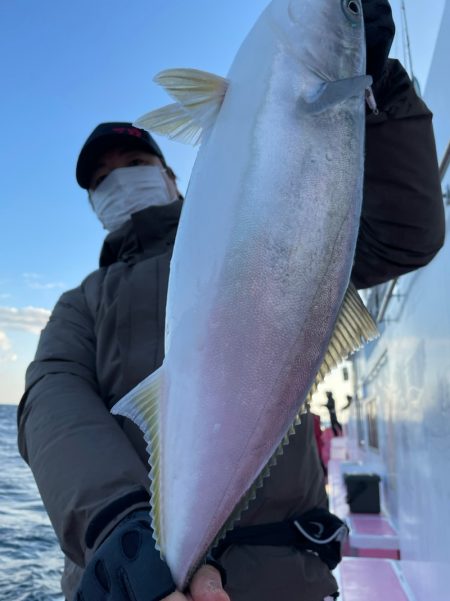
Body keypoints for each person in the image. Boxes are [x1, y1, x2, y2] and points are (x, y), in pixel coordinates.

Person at [17, 1, 445, 600]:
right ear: (94, 206)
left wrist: (377, 88)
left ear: (172, 174)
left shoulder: (280, 225)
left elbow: (407, 233)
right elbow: (50, 402)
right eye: (102, 181)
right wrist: (121, 534)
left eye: (136, 163)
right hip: (134, 580)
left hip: (284, 578)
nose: (121, 183)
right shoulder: (80, 304)